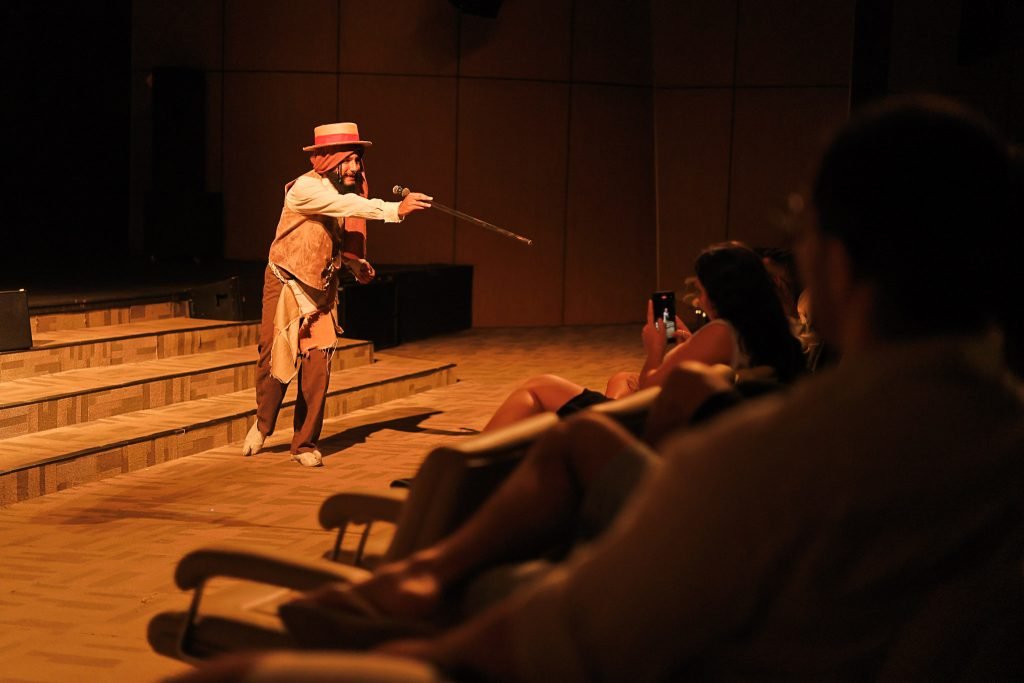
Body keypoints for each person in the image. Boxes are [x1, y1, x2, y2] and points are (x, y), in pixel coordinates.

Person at [175, 96, 1024, 682]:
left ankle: (415, 577)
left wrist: (407, 653)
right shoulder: (992, 442)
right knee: (293, 368)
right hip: (294, 284)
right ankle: (409, 559)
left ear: (836, 262)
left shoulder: (776, 461)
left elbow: (569, 635)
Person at [241, 122, 432, 467]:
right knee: (273, 360)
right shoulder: (305, 188)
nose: (356, 167)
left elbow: (334, 233)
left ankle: (304, 444)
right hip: (286, 284)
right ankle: (263, 424)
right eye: (350, 160)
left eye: (358, 160)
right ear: (330, 159)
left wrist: (353, 263)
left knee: (318, 369)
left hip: (321, 290)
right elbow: (346, 206)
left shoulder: (344, 192)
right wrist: (395, 210)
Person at [484, 242, 804, 431]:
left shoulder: (722, 331)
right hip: (698, 421)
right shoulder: (771, 329)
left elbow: (650, 390)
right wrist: (691, 347)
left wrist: (655, 349)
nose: (698, 299)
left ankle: (470, 465)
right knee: (622, 379)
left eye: (702, 290)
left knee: (539, 386)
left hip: (648, 432)